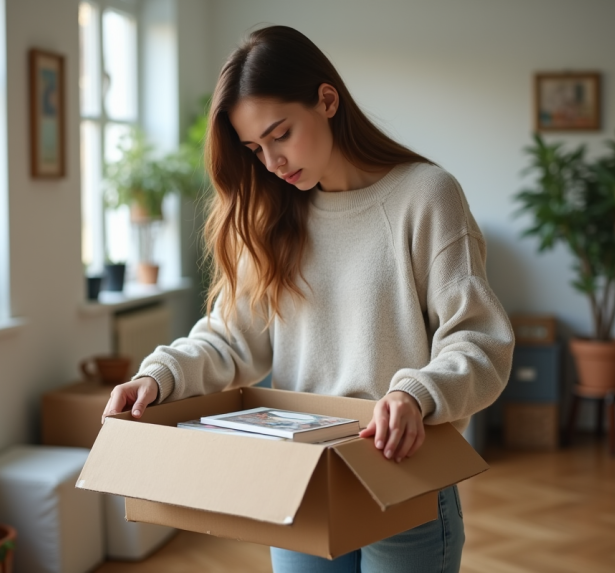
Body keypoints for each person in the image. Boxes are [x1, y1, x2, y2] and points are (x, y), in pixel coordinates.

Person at [102, 25, 514, 573]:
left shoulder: (425, 196)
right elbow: (230, 340)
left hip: (402, 473)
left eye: (280, 134)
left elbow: (480, 340)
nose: (271, 162)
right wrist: (159, 377)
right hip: (299, 478)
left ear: (326, 100)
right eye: (255, 148)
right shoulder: (273, 215)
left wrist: (417, 394)